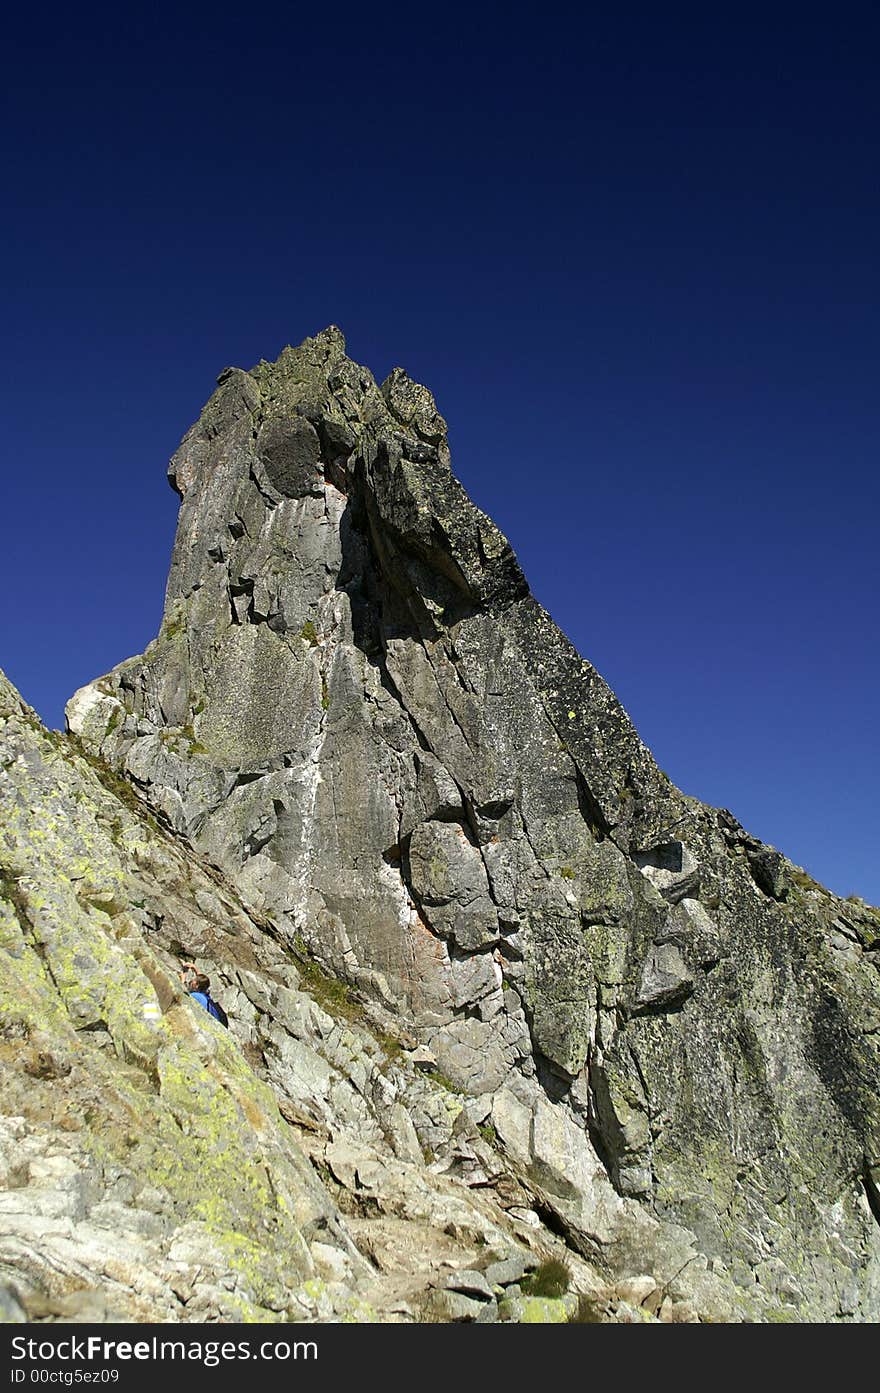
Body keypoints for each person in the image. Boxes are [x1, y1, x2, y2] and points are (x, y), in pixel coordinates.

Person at [180, 962, 228, 1027]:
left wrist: (182, 981)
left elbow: (181, 997)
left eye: (193, 980)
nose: (191, 981)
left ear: (197, 985)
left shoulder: (196, 996)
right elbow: (203, 980)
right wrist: (194, 967)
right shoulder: (204, 992)